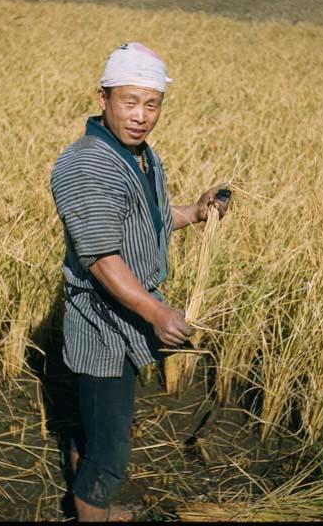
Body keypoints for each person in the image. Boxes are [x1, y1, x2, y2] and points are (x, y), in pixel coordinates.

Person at [50, 42, 230, 522]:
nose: (141, 116)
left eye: (152, 104)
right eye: (129, 102)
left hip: (125, 322)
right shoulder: (90, 164)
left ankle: (87, 501)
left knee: (94, 427)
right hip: (103, 328)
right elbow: (103, 258)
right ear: (103, 97)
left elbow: (144, 221)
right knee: (110, 453)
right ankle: (94, 506)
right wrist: (156, 311)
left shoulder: (139, 156)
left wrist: (195, 211)